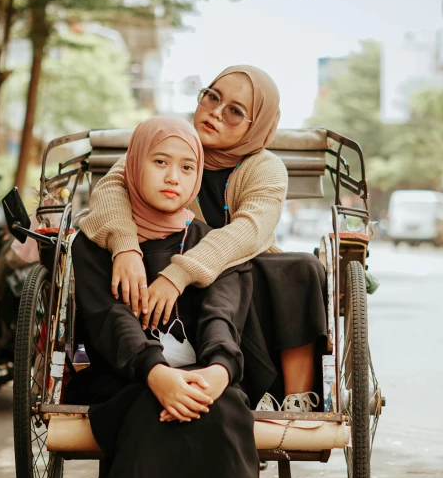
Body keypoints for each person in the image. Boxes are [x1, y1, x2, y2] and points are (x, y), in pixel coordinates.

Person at [70, 117, 261, 478]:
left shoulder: (213, 245)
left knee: (226, 405)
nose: (173, 177)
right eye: (159, 162)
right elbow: (109, 323)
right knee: (144, 403)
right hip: (123, 375)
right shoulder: (95, 244)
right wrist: (155, 373)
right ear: (133, 166)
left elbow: (224, 317)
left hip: (202, 378)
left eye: (187, 166)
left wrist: (219, 372)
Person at [80, 65, 327, 413]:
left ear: (255, 126)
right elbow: (110, 188)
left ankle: (294, 396)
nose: (215, 112)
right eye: (212, 96)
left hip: (225, 274)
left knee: (299, 268)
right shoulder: (173, 142)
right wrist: (125, 247)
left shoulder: (265, 169)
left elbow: (248, 232)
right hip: (159, 275)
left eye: (235, 112)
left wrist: (179, 274)